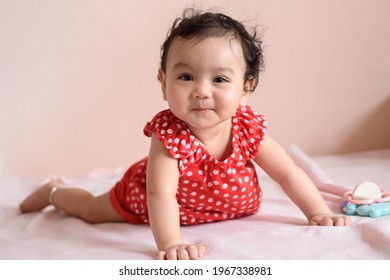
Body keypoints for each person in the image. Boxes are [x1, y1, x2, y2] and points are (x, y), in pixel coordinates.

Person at [19, 8, 351, 260]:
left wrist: (317, 211)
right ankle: (53, 193)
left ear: (246, 88)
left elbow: (288, 173)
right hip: (141, 197)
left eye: (220, 80)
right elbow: (160, 195)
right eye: (186, 77)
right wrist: (171, 243)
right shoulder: (168, 135)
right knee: (92, 209)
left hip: (227, 208)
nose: (202, 92)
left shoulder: (247, 128)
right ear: (163, 82)